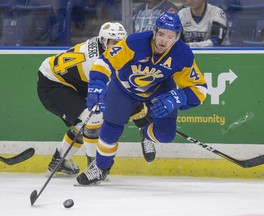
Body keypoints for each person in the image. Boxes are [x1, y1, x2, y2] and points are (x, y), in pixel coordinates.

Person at [76, 12, 208, 185]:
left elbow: (199, 89)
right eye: (161, 34)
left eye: (170, 36)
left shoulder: (183, 55)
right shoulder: (135, 43)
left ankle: (146, 134)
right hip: (123, 87)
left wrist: (177, 98)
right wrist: (96, 83)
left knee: (166, 135)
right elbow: (104, 61)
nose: (164, 40)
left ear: (177, 37)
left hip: (159, 90)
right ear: (154, 32)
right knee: (110, 129)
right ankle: (100, 168)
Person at [37, 22, 130, 176]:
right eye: (114, 43)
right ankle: (95, 165)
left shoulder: (104, 48)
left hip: (67, 81)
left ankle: (59, 161)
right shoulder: (96, 62)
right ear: (103, 42)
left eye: (121, 43)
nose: (118, 47)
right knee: (93, 118)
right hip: (52, 84)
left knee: (86, 121)